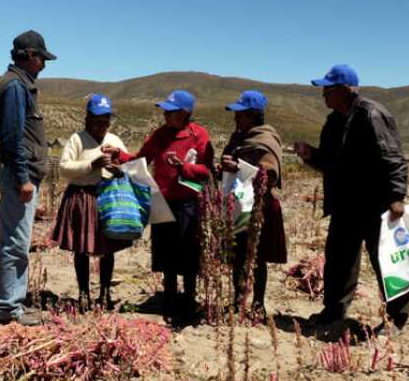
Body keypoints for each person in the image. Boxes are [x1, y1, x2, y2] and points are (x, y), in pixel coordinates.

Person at [294, 64, 409, 335]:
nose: (323, 95)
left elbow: (393, 157)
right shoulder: (334, 120)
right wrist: (311, 155)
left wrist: (396, 196)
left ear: (345, 90)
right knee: (338, 260)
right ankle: (334, 311)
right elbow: (330, 161)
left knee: (385, 261)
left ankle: (397, 319)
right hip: (345, 203)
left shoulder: (371, 115)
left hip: (375, 203)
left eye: (328, 90)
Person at [103, 90, 213, 322]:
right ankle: (170, 299)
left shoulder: (199, 135)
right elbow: (140, 159)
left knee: (188, 252)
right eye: (164, 110)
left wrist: (185, 168)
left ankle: (189, 299)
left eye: (170, 111)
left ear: (184, 113)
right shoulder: (159, 135)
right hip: (162, 201)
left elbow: (207, 171)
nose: (165, 114)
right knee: (167, 252)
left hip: (189, 203)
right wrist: (119, 155)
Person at [0, 30, 56, 326]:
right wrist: (23, 178)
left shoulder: (19, 84)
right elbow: (11, 138)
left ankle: (11, 303)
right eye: (42, 58)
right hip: (21, 177)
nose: (43, 64)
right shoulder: (16, 87)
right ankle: (8, 308)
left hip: (23, 174)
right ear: (30, 56)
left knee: (17, 241)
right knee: (16, 244)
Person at [52, 94, 130, 312]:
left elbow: (128, 166)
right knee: (81, 248)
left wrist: (118, 170)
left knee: (108, 248)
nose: (101, 125)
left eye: (105, 121)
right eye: (97, 121)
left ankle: (105, 292)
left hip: (108, 197)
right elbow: (65, 168)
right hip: (82, 197)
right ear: (87, 119)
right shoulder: (77, 139)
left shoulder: (114, 141)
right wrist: (91, 165)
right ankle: (84, 293)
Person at [221, 90, 287, 321]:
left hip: (261, 206)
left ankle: (258, 304)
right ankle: (238, 300)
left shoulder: (265, 140)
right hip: (238, 205)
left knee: (257, 257)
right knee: (238, 256)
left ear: (253, 116)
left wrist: (237, 167)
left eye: (240, 115)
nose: (236, 119)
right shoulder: (237, 139)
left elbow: (268, 173)